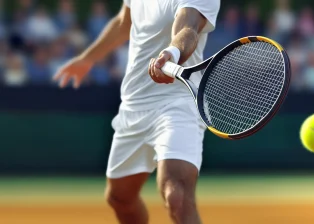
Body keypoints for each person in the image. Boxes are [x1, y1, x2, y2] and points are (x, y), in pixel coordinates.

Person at [53, 1, 220, 224]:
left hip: (177, 103)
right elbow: (124, 22)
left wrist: (172, 52)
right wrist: (88, 58)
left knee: (176, 194)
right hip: (134, 104)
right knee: (119, 198)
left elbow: (187, 27)